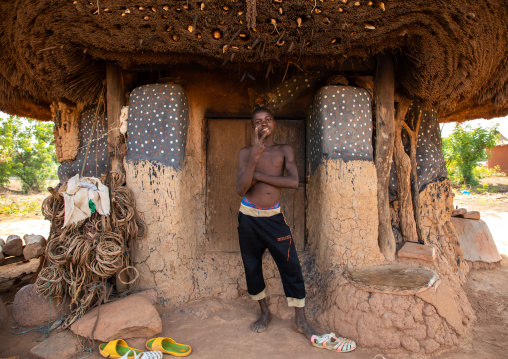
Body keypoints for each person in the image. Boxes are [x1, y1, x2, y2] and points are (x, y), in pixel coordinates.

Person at [235, 107, 316, 339]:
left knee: (291, 266)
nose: (264, 124)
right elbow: (241, 189)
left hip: (273, 217)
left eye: (268, 120)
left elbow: (292, 182)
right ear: (253, 127)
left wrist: (258, 175)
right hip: (249, 217)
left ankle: (301, 320)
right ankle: (264, 313)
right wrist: (254, 157)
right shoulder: (245, 153)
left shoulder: (284, 150)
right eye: (258, 121)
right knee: (252, 266)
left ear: (275, 123)